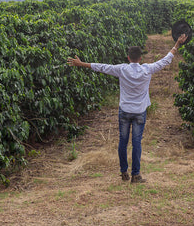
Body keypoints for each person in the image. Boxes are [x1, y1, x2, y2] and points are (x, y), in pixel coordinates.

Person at [67, 34, 187, 183]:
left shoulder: (122, 69)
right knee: (137, 143)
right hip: (139, 112)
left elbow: (102, 67)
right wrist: (177, 44)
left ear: (128, 58)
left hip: (124, 111)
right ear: (140, 58)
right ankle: (136, 175)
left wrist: (81, 64)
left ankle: (124, 172)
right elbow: (165, 60)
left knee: (122, 142)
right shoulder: (147, 69)